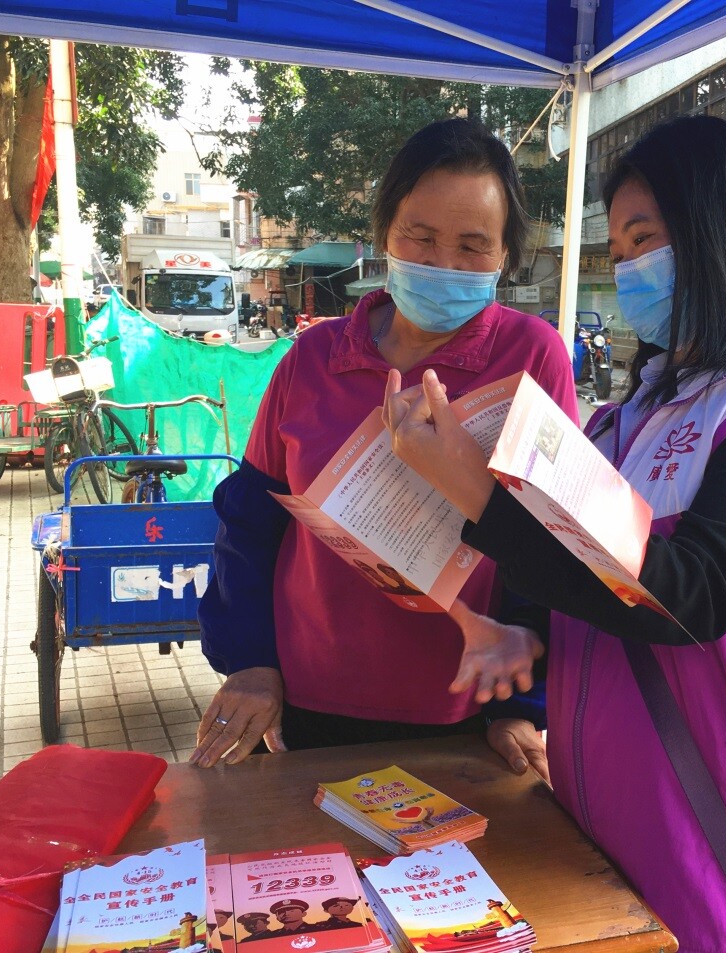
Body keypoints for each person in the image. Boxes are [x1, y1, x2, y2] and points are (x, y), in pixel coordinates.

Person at [384, 115, 726, 951]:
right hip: (604, 820)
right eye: (617, 251)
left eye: (644, 240)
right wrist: (529, 633)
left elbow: (689, 598)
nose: (628, 271)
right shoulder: (626, 418)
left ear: (718, 231)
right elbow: (588, 581)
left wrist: (477, 493)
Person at [193, 118, 578, 772]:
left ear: (506, 257)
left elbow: (555, 535)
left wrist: (522, 702)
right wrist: (251, 662)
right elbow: (249, 525)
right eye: (420, 237)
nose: (442, 264)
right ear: (384, 234)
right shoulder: (311, 358)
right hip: (308, 704)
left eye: (473, 246)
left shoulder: (533, 357)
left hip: (469, 715)